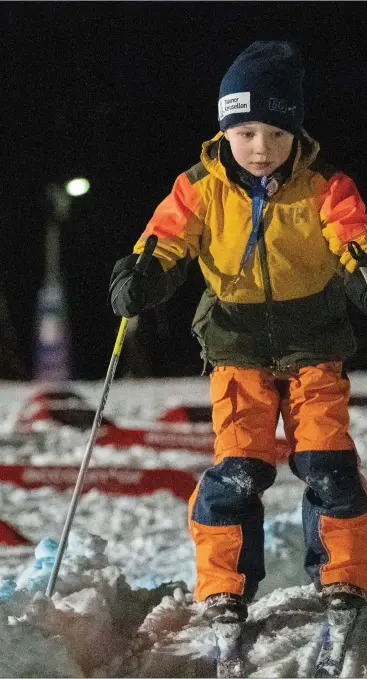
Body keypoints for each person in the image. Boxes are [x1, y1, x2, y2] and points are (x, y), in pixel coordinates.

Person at [108, 41, 367, 623]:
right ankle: (223, 584)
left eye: (276, 134)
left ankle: (343, 575)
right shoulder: (199, 187)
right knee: (239, 469)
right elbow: (167, 239)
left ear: (297, 133)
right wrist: (145, 273)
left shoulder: (326, 185)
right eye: (246, 132)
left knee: (329, 463)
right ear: (224, 130)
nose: (261, 149)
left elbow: (352, 238)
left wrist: (363, 269)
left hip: (314, 345)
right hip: (235, 345)